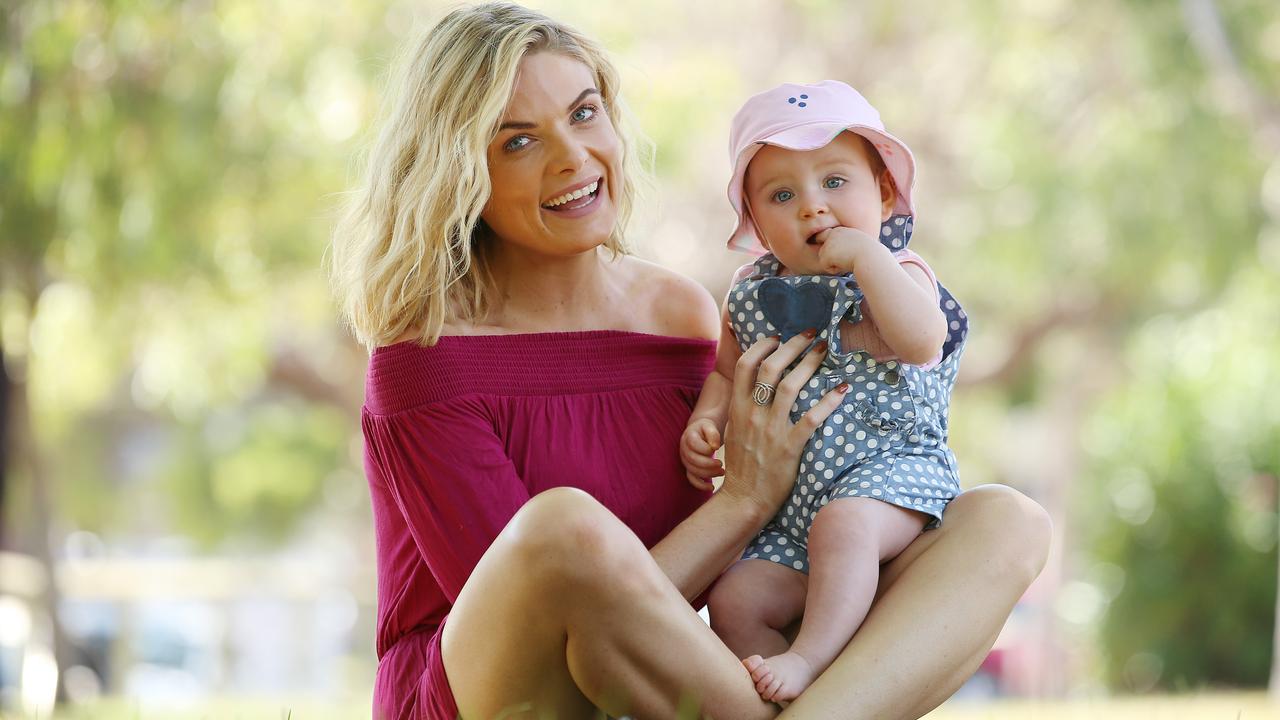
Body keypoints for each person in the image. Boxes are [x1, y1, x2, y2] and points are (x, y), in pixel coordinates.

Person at [328, 4, 1052, 719]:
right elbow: (554, 613)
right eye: (518, 142)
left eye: (584, 114)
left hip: (655, 679)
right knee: (563, 531)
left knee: (1006, 521)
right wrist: (744, 499)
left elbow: (740, 566)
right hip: (495, 691)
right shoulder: (424, 358)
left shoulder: (680, 315)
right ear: (462, 174)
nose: (573, 158)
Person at [680, 80, 968, 702]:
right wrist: (706, 423)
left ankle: (811, 661)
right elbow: (728, 373)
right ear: (754, 220)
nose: (813, 207)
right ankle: (814, 706)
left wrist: (868, 258)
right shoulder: (751, 294)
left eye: (835, 183)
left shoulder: (898, 271)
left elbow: (923, 342)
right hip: (790, 509)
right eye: (783, 195)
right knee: (735, 599)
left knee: (845, 527)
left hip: (887, 478)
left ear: (884, 192)